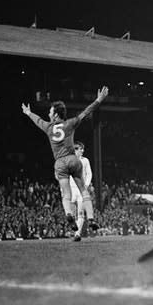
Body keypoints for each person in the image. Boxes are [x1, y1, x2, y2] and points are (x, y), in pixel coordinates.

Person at [22, 87, 108, 239]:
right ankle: (91, 218)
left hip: (60, 163)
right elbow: (86, 112)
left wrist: (28, 113)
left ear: (55, 114)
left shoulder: (48, 127)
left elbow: (38, 121)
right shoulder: (70, 123)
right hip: (73, 160)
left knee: (66, 194)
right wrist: (98, 100)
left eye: (50, 111)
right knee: (84, 191)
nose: (48, 113)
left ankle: (69, 214)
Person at [69, 141, 99, 241]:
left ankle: (77, 234)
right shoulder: (69, 161)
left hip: (81, 190)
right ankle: (75, 230)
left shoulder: (85, 161)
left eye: (83, 149)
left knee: (80, 213)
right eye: (80, 149)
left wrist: (85, 185)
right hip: (72, 190)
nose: (83, 151)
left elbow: (89, 174)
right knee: (71, 214)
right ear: (75, 149)